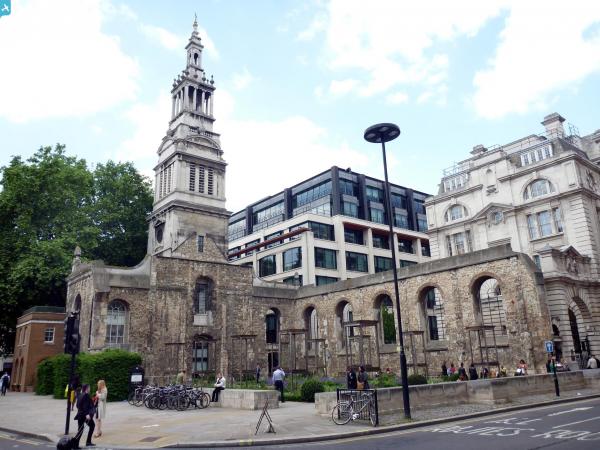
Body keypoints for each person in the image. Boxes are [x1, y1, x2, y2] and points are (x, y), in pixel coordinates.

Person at [74, 384, 95, 449]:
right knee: (92, 426)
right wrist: (87, 414)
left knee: (80, 429)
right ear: (87, 388)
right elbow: (85, 406)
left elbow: (77, 405)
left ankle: (76, 444)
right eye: (89, 388)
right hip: (84, 415)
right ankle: (87, 442)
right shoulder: (86, 395)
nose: (90, 389)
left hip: (80, 415)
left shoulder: (80, 395)